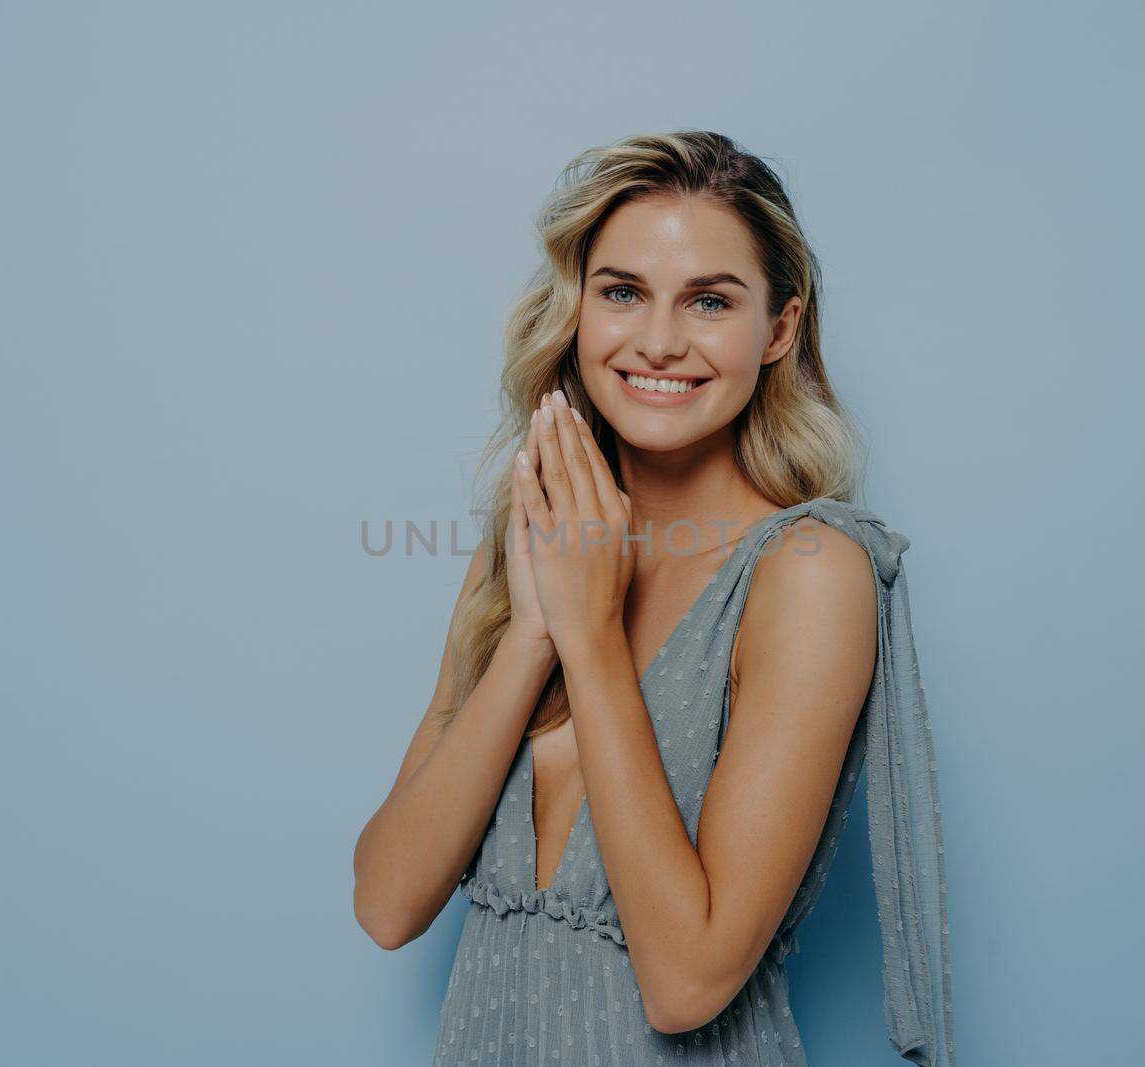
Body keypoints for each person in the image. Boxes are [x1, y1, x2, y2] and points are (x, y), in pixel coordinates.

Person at [353, 130, 954, 1066]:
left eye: (710, 301)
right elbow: (388, 902)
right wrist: (534, 635)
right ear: (578, 311)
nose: (659, 341)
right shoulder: (532, 538)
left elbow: (685, 983)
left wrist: (591, 637)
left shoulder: (807, 572)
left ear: (780, 330)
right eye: (622, 291)